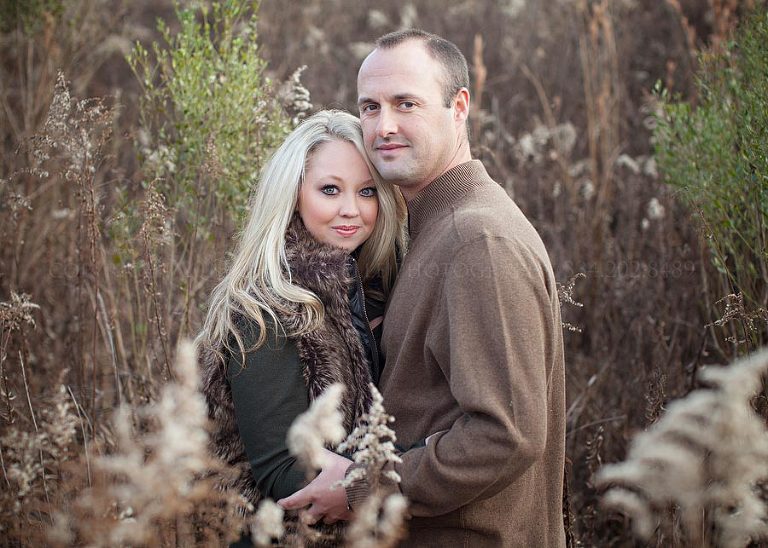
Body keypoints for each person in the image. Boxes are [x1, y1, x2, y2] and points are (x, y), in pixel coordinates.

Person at [279, 30, 567, 547]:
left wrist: (361, 487)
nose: (383, 126)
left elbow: (506, 436)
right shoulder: (432, 229)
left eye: (405, 104)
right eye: (370, 107)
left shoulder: (477, 239)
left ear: (458, 107)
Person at [196, 110, 407, 544]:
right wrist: (425, 472)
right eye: (330, 190)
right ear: (293, 195)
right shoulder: (264, 309)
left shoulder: (365, 291)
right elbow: (286, 474)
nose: (351, 210)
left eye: (367, 191)